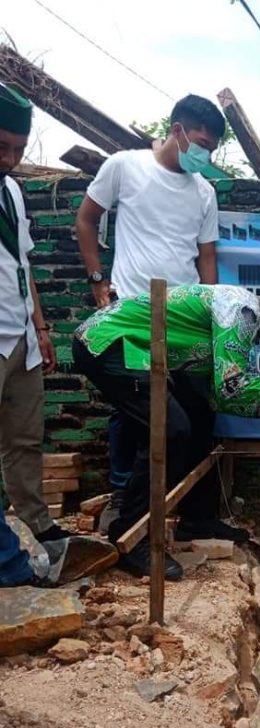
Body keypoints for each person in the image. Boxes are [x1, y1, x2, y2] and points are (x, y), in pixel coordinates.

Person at [72, 270, 260, 580]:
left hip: (140, 350)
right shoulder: (241, 311)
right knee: (171, 430)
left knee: (201, 415)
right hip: (111, 341)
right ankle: (131, 534)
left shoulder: (245, 325)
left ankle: (197, 519)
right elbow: (231, 386)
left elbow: (220, 396)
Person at [75, 94, 228, 533]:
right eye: (202, 144)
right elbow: (86, 220)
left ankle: (197, 515)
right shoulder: (125, 167)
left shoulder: (204, 192)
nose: (205, 156)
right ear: (177, 130)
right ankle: (124, 503)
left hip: (183, 321)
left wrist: (210, 314)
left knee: (197, 408)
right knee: (132, 411)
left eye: (212, 149)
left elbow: (206, 258)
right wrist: (97, 280)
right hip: (132, 315)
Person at [0, 82, 71, 560]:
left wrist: (40, 329)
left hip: (20, 334)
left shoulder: (12, 191)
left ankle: (34, 522)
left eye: (18, 149)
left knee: (24, 438)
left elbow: (24, 265)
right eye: (1, 147)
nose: (9, 159)